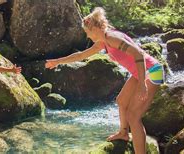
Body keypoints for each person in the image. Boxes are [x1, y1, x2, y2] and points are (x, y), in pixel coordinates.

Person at [45, 7, 164, 154]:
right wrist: (57, 61)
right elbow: (81, 56)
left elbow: (138, 54)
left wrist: (141, 85)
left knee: (133, 116)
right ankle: (123, 133)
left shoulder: (112, 38)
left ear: (94, 28)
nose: (87, 36)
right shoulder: (104, 41)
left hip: (151, 71)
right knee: (121, 101)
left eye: (88, 32)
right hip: (141, 73)